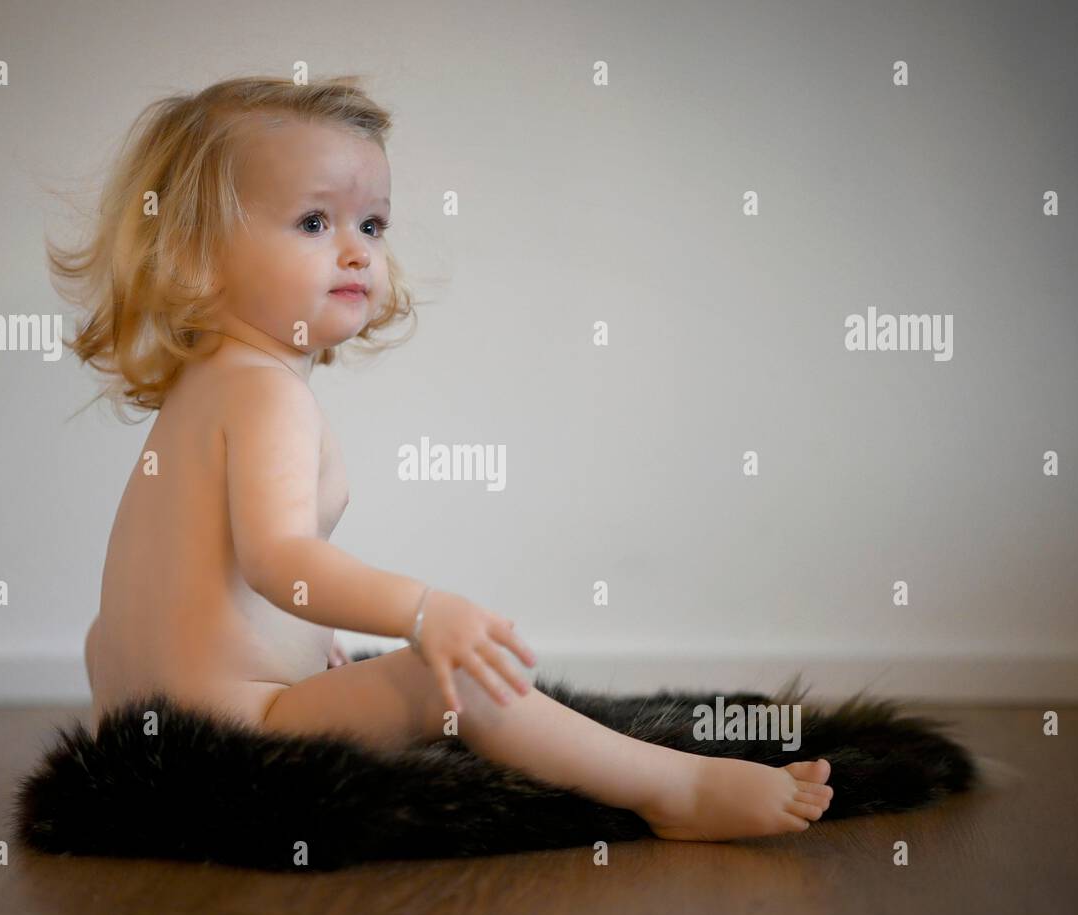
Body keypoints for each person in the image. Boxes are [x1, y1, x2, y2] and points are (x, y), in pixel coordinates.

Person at [51, 74, 833, 841]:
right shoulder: (267, 396)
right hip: (239, 733)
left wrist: (295, 635)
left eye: (374, 225)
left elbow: (201, 574)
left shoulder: (209, 385)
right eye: (315, 222)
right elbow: (276, 557)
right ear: (197, 253)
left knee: (116, 630)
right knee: (446, 679)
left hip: (143, 721)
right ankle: (677, 787)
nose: (356, 252)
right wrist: (424, 611)